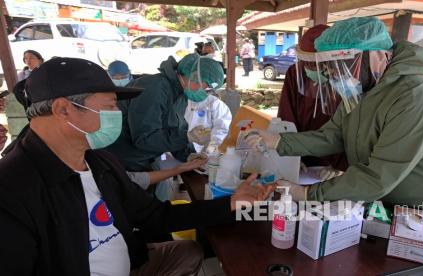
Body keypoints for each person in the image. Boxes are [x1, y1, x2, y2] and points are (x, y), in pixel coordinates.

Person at [0, 57, 274, 275]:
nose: (117, 115)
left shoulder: (99, 162)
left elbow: (155, 215)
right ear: (63, 110)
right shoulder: (13, 189)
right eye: (109, 107)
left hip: (129, 261)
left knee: (188, 251)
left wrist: (231, 203)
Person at [247, 17, 423, 241]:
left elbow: (377, 177)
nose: (335, 75)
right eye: (330, 67)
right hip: (399, 207)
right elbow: (331, 136)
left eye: (344, 64)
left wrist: (308, 193)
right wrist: (279, 141)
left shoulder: (417, 99)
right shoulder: (362, 93)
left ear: (379, 55)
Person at [106, 53, 224, 172]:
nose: (205, 91)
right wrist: (186, 137)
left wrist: (188, 154)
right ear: (194, 76)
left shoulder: (180, 92)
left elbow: (174, 129)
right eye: (206, 86)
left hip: (146, 157)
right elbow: (145, 138)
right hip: (124, 161)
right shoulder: (154, 88)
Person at [278, 24, 347, 174]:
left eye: (317, 64)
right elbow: (286, 116)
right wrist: (293, 157)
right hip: (300, 153)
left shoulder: (345, 79)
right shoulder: (294, 73)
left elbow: (349, 126)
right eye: (307, 63)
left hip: (336, 160)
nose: (311, 68)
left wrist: (341, 167)